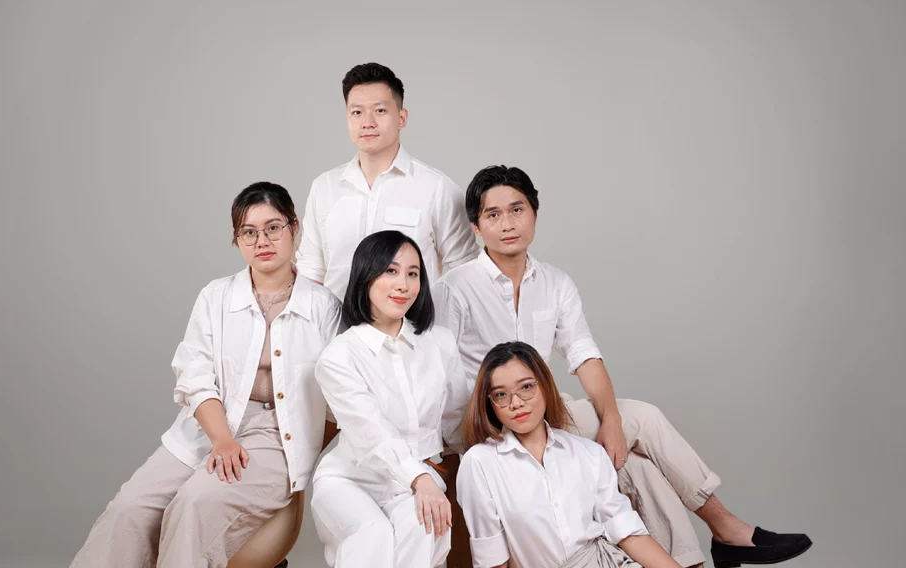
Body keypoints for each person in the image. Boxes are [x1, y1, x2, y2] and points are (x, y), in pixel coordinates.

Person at [434, 165, 812, 568]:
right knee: (645, 422)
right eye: (493, 214)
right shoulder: (455, 288)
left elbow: (584, 354)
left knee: (639, 466)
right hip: (489, 419)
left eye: (517, 209)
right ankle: (725, 529)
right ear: (476, 226)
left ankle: (692, 561)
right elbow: (437, 377)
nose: (508, 224)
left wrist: (611, 419)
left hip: (545, 410)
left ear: (535, 213)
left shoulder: (556, 283)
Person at [71, 182, 342, 567]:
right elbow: (194, 373)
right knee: (129, 509)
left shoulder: (325, 308)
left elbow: (338, 396)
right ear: (237, 240)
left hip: (276, 438)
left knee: (195, 504)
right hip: (209, 425)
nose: (262, 241)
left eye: (273, 228)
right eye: (249, 232)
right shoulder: (215, 297)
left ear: (293, 227)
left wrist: (303, 447)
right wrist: (222, 439)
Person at [310, 230, 472, 568]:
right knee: (374, 535)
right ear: (365, 277)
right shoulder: (338, 357)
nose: (403, 285)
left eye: (413, 274)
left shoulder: (440, 343)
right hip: (350, 480)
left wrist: (492, 459)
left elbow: (458, 421)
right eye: (390, 271)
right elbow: (371, 432)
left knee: (425, 526)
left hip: (417, 479)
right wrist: (419, 478)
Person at [459, 341, 682, 568]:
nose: (516, 403)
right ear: (490, 402)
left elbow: (628, 533)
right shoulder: (479, 463)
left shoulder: (588, 453)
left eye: (526, 387)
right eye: (501, 394)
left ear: (545, 385)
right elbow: (492, 560)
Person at [295, 62, 479, 301]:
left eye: (380, 110)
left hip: (412, 324)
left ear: (402, 117)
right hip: (337, 324)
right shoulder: (324, 188)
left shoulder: (437, 188)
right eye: (357, 112)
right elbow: (311, 273)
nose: (367, 122)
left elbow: (464, 273)